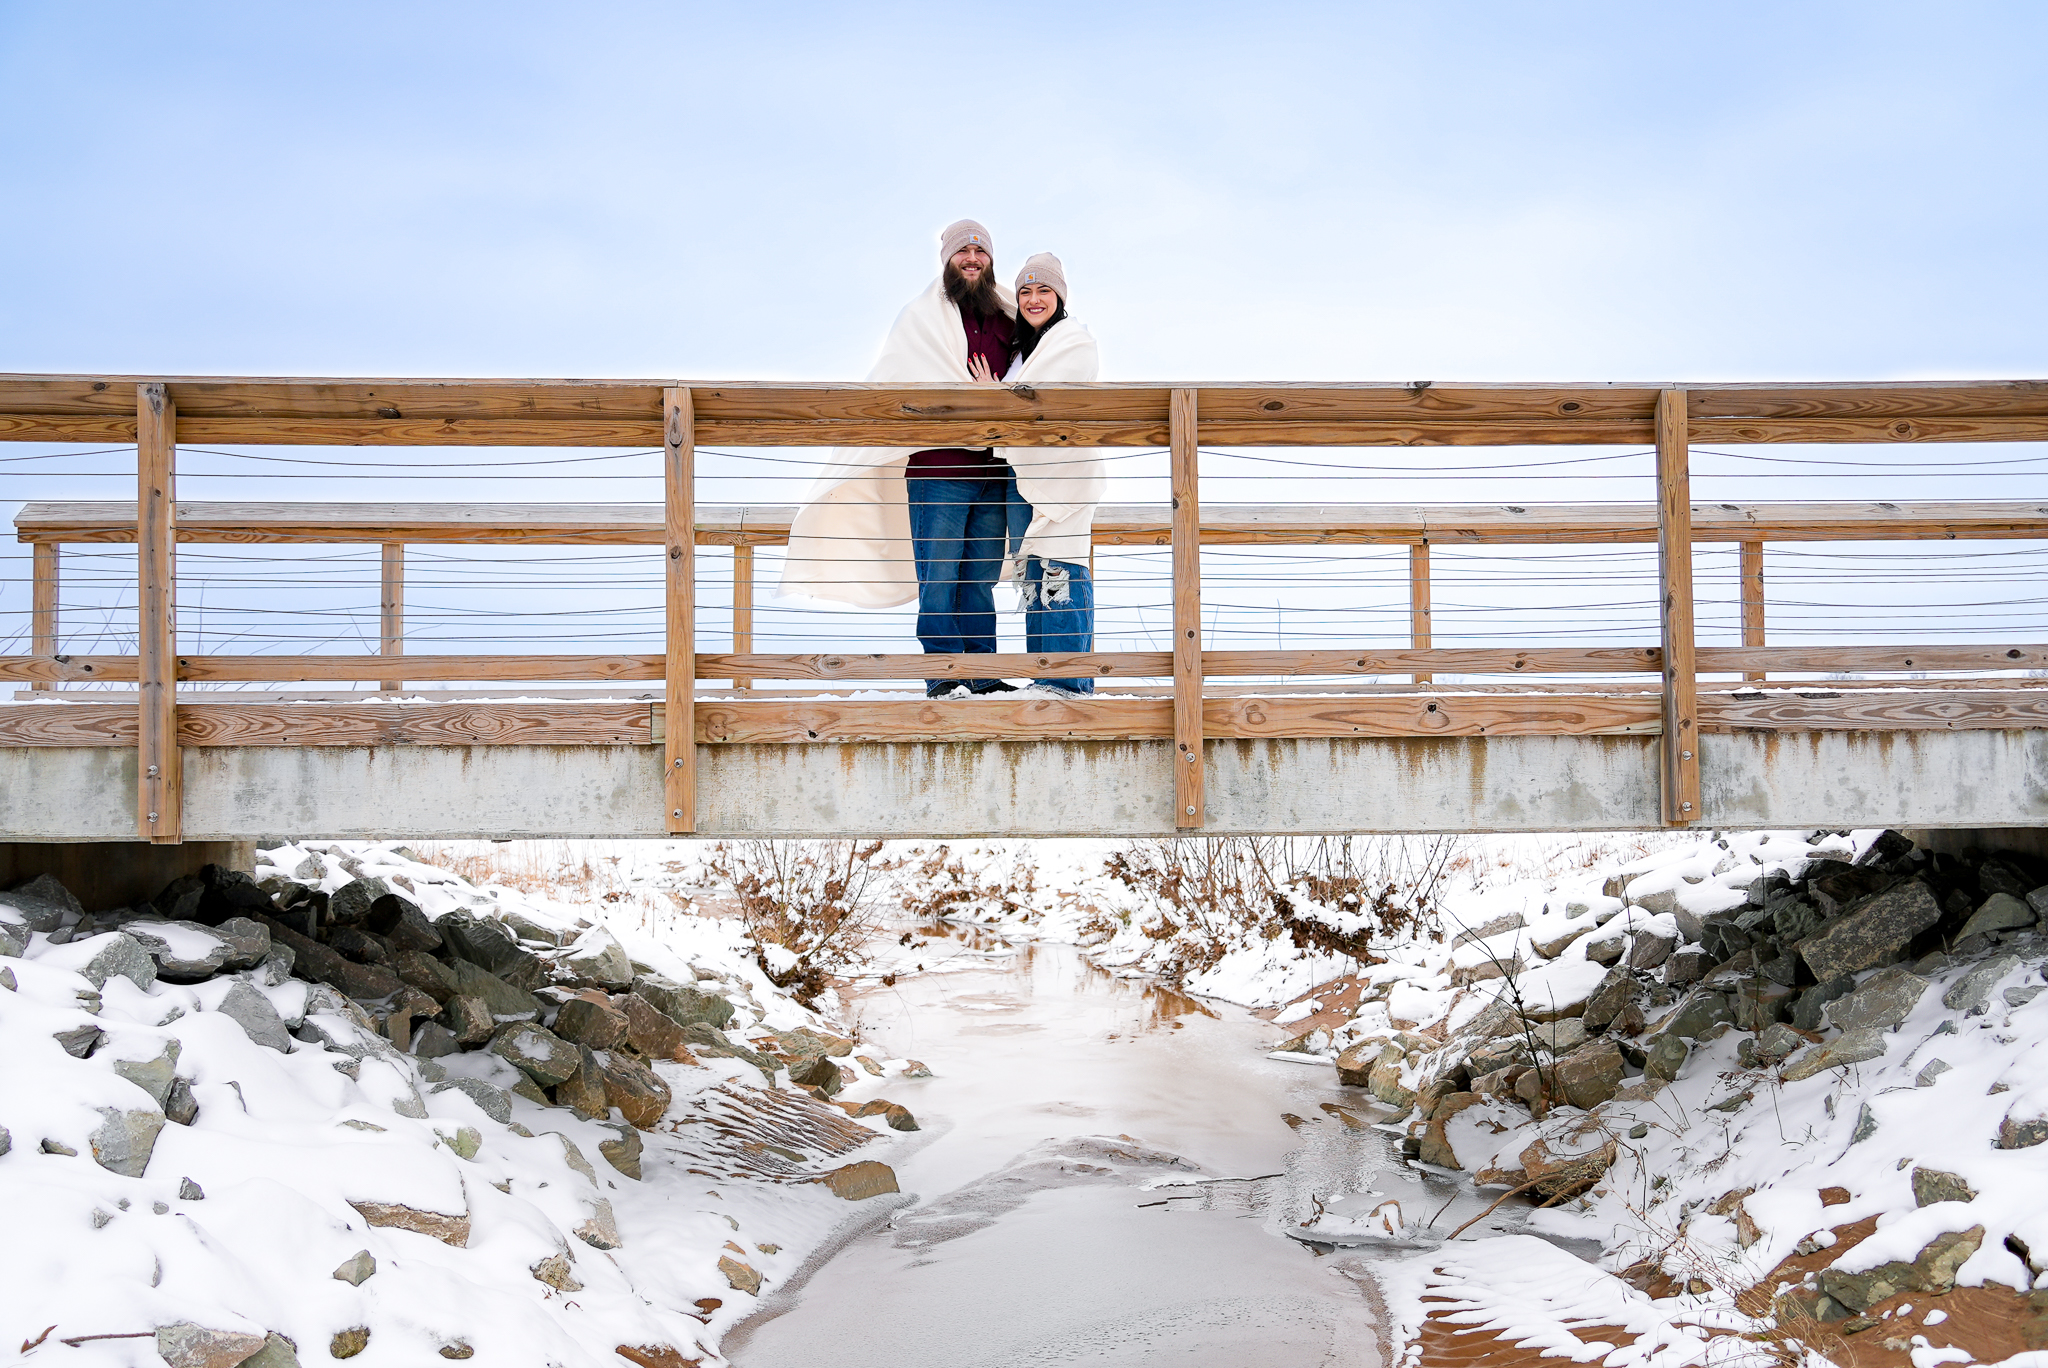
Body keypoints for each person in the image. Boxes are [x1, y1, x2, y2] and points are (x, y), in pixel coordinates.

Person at [779, 220, 1021, 698]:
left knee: (979, 579)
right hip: (939, 470)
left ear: (991, 260)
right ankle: (943, 676)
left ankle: (983, 673)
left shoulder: (1010, 319)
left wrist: (996, 397)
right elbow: (897, 381)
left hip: (993, 470)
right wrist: (973, 397)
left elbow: (1031, 377)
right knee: (939, 578)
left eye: (981, 251)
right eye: (962, 251)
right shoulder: (921, 318)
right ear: (947, 260)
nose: (972, 259)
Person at [996, 253, 1105, 695]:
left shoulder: (1074, 339)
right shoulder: (1021, 352)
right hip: (1020, 473)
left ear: (1059, 296)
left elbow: (1042, 395)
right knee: (1032, 574)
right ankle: (1043, 676)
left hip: (1062, 472)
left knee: (1062, 566)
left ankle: (1069, 681)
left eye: (1044, 290)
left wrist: (993, 394)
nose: (1034, 299)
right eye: (1025, 291)